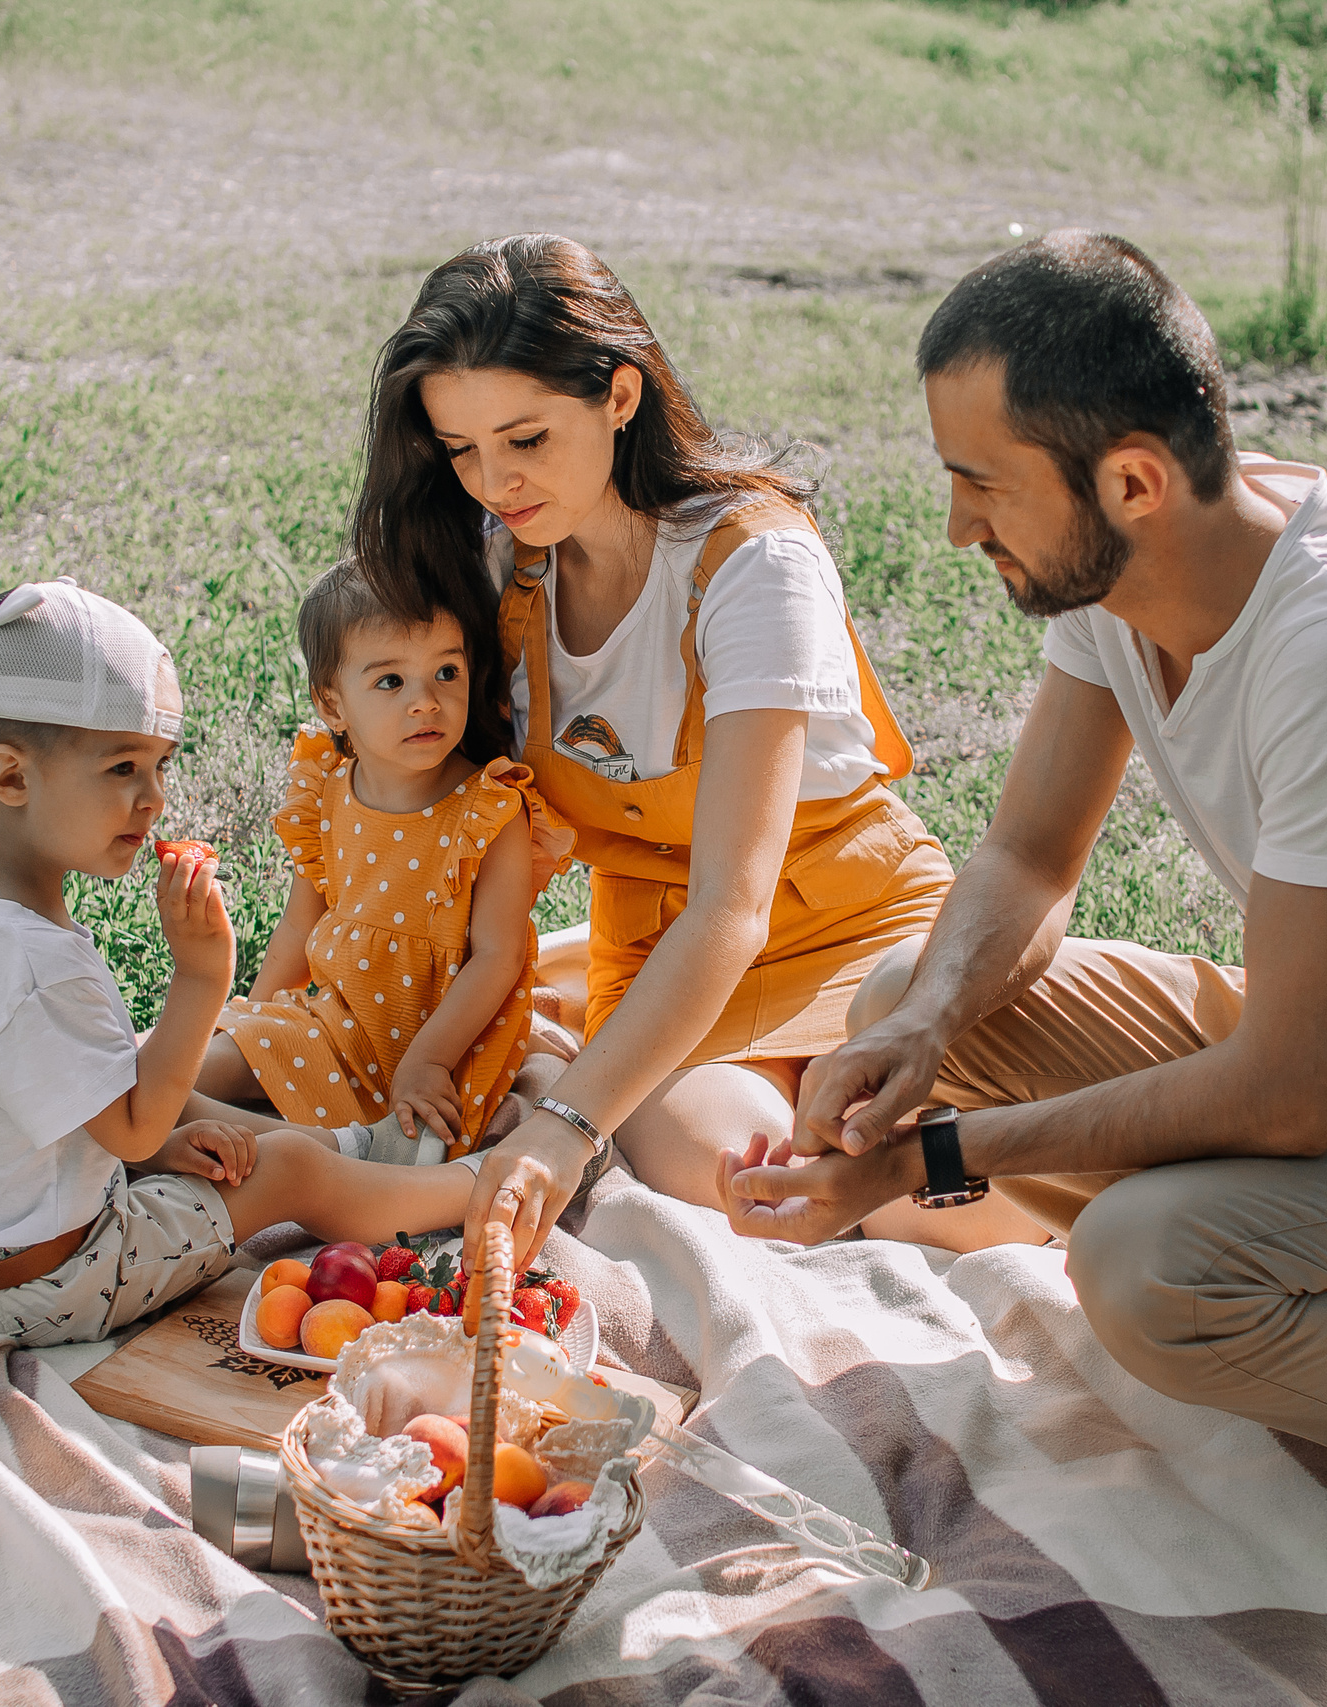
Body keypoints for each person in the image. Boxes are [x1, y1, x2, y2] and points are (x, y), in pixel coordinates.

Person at [722, 232, 1327, 1562]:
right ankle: (1297, 1282)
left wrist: (931, 1158)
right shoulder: (1129, 567)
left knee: (1142, 1266)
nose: (957, 527)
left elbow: (1284, 1096)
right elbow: (1030, 858)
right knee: (903, 991)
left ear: (1132, 479)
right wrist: (924, 1025)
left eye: (982, 485)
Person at [349, 233, 1048, 1267]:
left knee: (914, 1183)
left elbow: (733, 902)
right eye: (460, 449)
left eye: (527, 438)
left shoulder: (754, 560)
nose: (494, 480)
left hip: (852, 925)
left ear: (620, 396)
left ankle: (1001, 1179)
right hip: (657, 956)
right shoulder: (499, 569)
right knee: (740, 1176)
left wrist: (567, 1124)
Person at [0, 576, 482, 1346]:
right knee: (286, 1168)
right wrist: (202, 975)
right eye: (123, 768)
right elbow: (130, 1130)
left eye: (160, 765)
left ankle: (358, 1145)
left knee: (156, 1086)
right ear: (12, 777)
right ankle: (470, 1184)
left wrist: (160, 1143)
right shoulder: (35, 971)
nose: (154, 797)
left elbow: (65, 1092)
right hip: (49, 1281)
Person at [190, 558, 572, 1160]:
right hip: (331, 1026)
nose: (426, 701)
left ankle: (328, 1150)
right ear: (333, 704)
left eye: (446, 671)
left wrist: (429, 1061)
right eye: (391, 681)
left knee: (195, 1104)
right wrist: (251, 1020)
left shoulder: (489, 810)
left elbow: (499, 956)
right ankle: (317, 1144)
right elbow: (299, 926)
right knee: (183, 1071)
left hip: (439, 1046)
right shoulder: (328, 791)